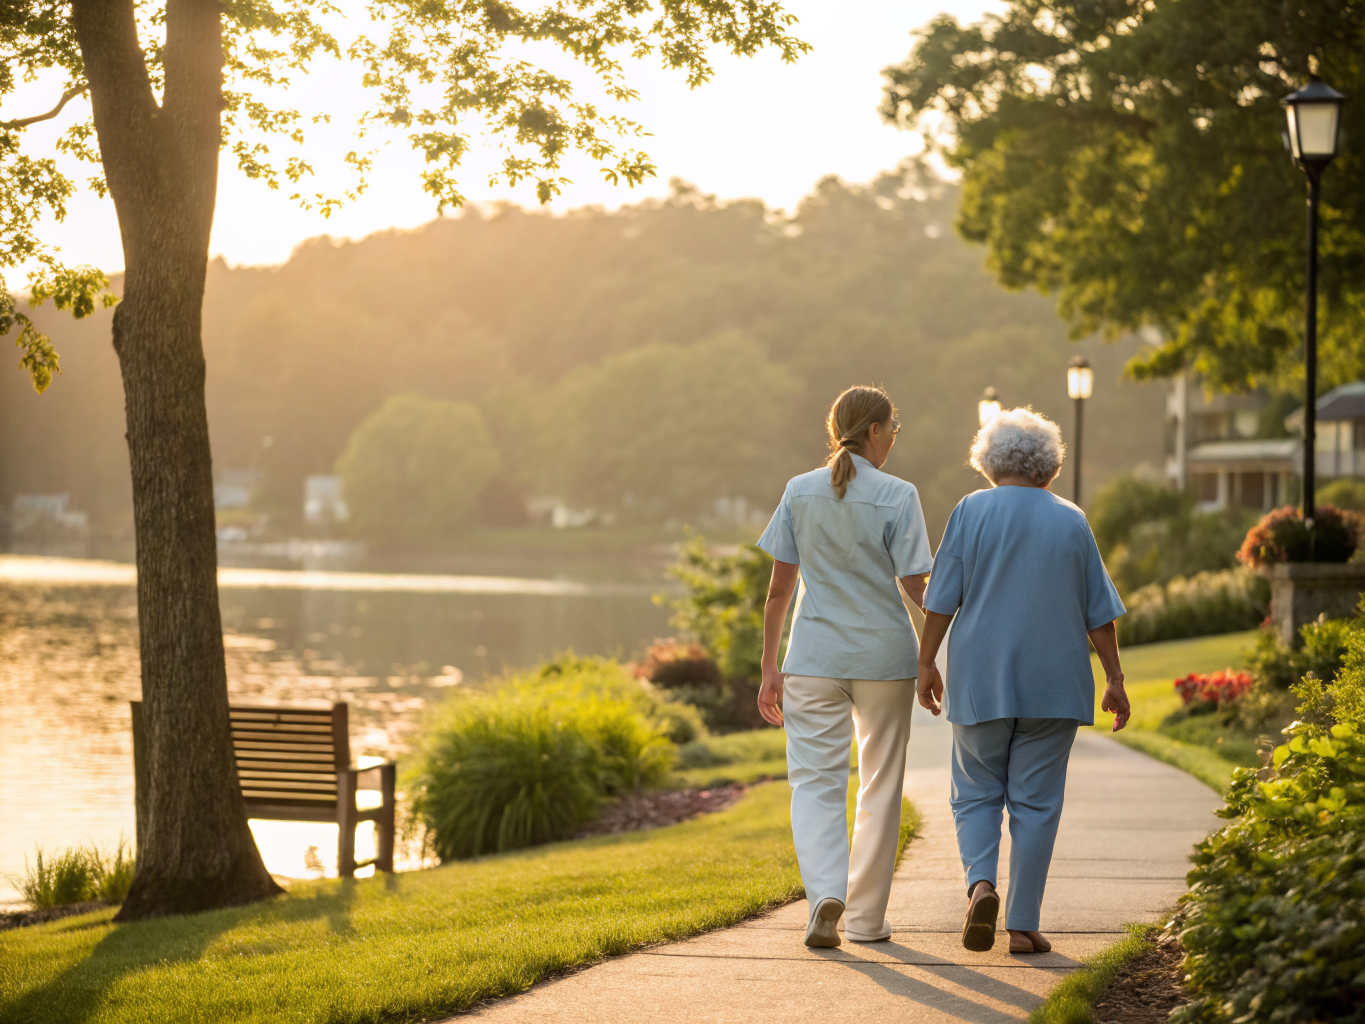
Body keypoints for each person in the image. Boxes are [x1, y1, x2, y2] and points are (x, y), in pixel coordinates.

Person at [916, 407, 1131, 955]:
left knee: (976, 793)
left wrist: (926, 662)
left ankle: (981, 884)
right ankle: (1023, 924)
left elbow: (940, 600)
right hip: (1055, 682)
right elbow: (1098, 613)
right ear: (1050, 468)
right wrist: (1114, 678)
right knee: (1036, 803)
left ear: (988, 464)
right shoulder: (1072, 519)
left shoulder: (970, 511)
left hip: (981, 676)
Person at [755, 384, 934, 948]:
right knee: (880, 785)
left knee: (813, 784)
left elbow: (778, 592)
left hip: (811, 658)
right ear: (876, 431)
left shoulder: (798, 490)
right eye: (893, 432)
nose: (893, 444)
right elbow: (916, 588)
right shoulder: (899, 494)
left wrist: (769, 668)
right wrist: (947, 642)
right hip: (883, 659)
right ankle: (864, 920)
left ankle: (825, 894)